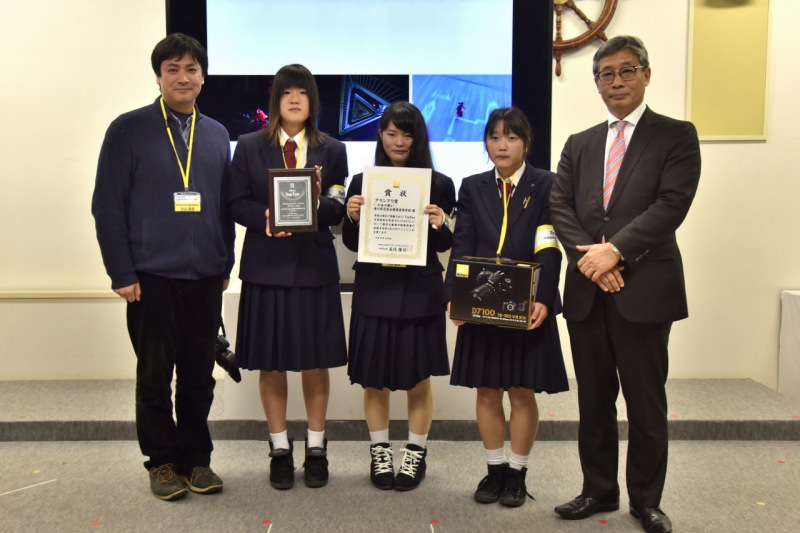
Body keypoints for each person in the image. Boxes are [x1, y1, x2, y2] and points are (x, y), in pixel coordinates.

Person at [550, 36, 701, 533]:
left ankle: (646, 499)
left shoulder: (676, 136)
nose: (617, 81)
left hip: (645, 289)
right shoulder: (580, 143)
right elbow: (561, 208)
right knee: (593, 398)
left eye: (627, 70)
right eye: (607, 74)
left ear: (646, 74)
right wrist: (593, 261)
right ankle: (597, 489)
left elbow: (670, 206)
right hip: (589, 293)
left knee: (645, 401)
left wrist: (614, 251)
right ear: (596, 83)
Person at [91, 33, 234, 501]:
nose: (182, 77)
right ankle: (162, 462)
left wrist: (224, 261)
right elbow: (107, 205)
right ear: (158, 76)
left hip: (205, 276)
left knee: (197, 375)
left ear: (202, 77)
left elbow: (222, 205)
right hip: (150, 277)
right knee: (154, 376)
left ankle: (196, 459)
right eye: (172, 68)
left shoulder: (215, 134)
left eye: (191, 69)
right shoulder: (128, 129)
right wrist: (121, 272)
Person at [228, 63, 348, 490]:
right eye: (286, 93)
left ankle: (316, 448)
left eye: (303, 93)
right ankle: (279, 449)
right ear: (275, 101)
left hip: (314, 269)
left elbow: (337, 209)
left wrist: (319, 199)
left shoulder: (331, 150)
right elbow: (235, 202)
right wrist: (263, 217)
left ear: (313, 101)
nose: (295, 99)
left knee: (315, 364)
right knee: (272, 364)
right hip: (266, 269)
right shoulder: (247, 146)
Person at [444, 107, 568, 508]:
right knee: (486, 391)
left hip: (525, 305)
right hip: (481, 304)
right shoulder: (472, 186)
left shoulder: (546, 184)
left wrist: (544, 298)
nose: (501, 144)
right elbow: (462, 245)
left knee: (521, 392)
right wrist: (454, 297)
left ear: (525, 143)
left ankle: (517, 472)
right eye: (494, 137)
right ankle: (494, 469)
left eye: (511, 137)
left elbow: (550, 246)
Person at [343, 102, 455, 491]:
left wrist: (441, 223)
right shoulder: (362, 181)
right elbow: (351, 241)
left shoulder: (439, 184)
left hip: (420, 289)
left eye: (407, 134)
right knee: (375, 379)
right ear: (380, 135)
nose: (399, 141)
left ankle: (414, 453)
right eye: (391, 133)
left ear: (418, 137)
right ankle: (379, 451)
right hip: (375, 286)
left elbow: (444, 244)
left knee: (418, 377)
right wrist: (353, 216)